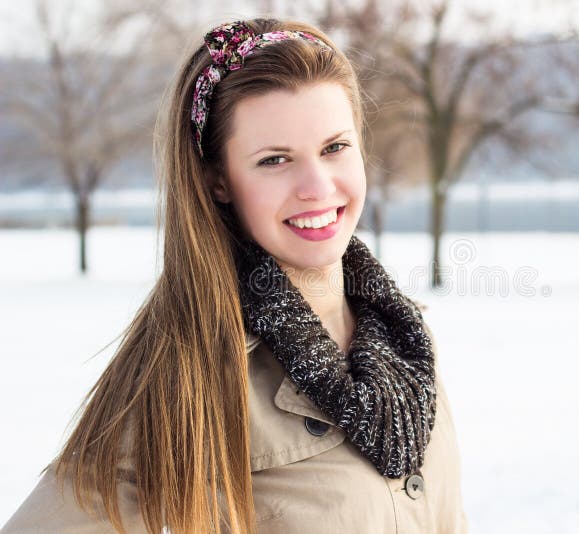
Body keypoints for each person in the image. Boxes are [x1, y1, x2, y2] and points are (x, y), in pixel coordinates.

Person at [1, 16, 468, 534]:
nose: (317, 186)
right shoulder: (191, 365)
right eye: (274, 160)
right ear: (219, 181)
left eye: (334, 147)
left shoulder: (403, 338)